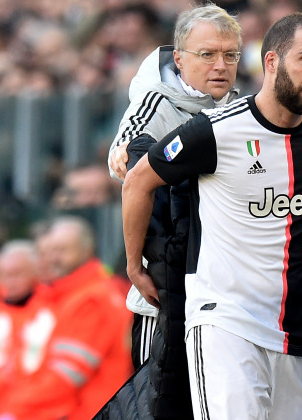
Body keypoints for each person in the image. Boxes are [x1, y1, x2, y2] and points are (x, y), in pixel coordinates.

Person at [121, 12, 302, 419]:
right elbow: (137, 181)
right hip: (226, 323)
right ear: (271, 62)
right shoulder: (214, 131)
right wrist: (134, 264)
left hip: (297, 332)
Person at [107, 2, 242, 372]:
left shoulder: (243, 110)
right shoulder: (158, 102)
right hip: (165, 291)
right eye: (208, 54)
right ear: (179, 59)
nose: (220, 65)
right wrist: (122, 153)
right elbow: (127, 150)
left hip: (227, 296)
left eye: (230, 55)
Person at [0, 216, 132, 420]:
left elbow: (65, 377)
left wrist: (14, 412)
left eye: (61, 250)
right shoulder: (65, 296)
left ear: (86, 250)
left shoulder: (93, 299)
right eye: (48, 252)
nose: (51, 259)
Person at [0, 240, 42, 413]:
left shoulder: (48, 311)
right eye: (5, 275)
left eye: (17, 274)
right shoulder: (1, 312)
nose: (10, 282)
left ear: (35, 272)